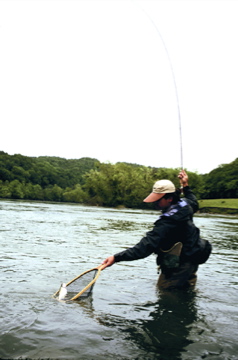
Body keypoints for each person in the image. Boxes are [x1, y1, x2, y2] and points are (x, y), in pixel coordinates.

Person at [102, 170, 210, 289]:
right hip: (193, 258)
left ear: (169, 198)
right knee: (187, 292)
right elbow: (194, 200)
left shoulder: (167, 222)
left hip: (180, 265)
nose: (154, 203)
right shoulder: (185, 205)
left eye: (158, 200)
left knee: (166, 293)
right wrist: (185, 185)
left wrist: (116, 257)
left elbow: (145, 247)